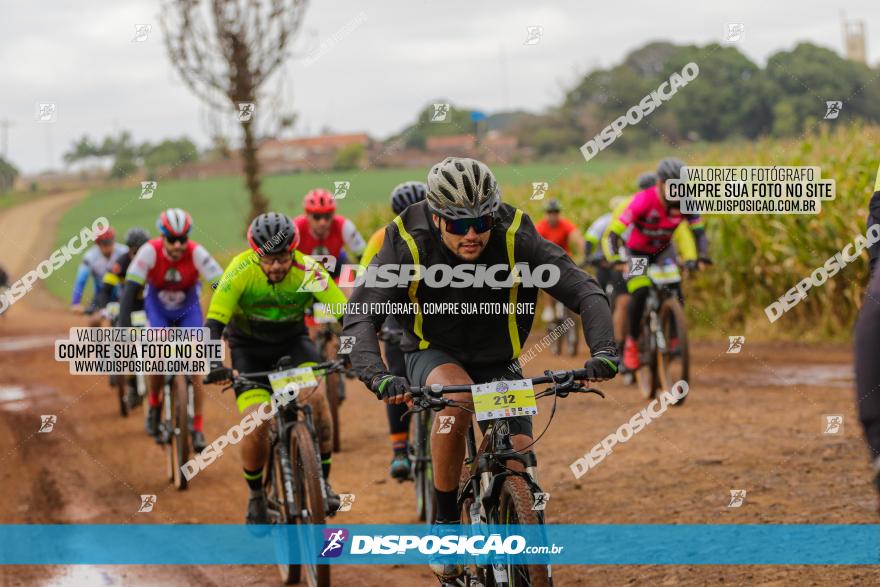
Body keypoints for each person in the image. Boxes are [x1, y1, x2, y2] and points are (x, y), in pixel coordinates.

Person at [342, 157, 618, 581]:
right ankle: (446, 525)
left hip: (499, 357)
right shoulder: (406, 238)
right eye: (457, 225)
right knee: (456, 402)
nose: (471, 234)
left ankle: (513, 512)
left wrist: (602, 351)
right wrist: (378, 374)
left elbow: (582, 287)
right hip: (432, 351)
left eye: (480, 221)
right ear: (435, 217)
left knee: (519, 453)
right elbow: (363, 313)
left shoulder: (514, 232)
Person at [204, 213, 346, 523]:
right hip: (249, 352)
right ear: (256, 253)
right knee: (257, 423)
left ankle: (321, 482)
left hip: (292, 346)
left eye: (283, 257)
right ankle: (256, 495)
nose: (277, 266)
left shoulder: (309, 269)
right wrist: (214, 363)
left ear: (293, 250)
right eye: (268, 259)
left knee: (318, 401)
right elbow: (214, 323)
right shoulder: (240, 270)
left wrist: (353, 350)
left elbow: (346, 316)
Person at [118, 208, 223, 453]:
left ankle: (197, 427)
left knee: (195, 365)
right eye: (172, 239)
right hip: (158, 310)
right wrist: (122, 330)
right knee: (156, 356)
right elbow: (129, 293)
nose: (177, 245)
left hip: (188, 310)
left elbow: (222, 287)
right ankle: (154, 406)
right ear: (162, 237)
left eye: (182, 239)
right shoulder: (148, 252)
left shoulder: (197, 252)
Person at [606, 158, 711, 371]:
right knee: (640, 291)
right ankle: (632, 343)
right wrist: (616, 258)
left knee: (675, 288)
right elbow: (613, 234)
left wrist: (702, 256)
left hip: (663, 251)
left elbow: (699, 233)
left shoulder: (686, 202)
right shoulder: (643, 200)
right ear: (660, 183)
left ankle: (674, 335)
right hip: (636, 253)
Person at [361, 181, 428, 481]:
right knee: (397, 377)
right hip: (397, 311)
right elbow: (368, 282)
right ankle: (399, 449)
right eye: (404, 212)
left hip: (430, 309)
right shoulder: (382, 237)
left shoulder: (440, 233)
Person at [535, 199, 585, 325]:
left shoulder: (565, 224)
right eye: (550, 212)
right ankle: (548, 307)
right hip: (546, 260)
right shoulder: (541, 226)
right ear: (546, 213)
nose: (553, 215)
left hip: (564, 259)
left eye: (556, 212)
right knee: (547, 279)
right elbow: (533, 243)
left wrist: (583, 253)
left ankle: (568, 304)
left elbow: (577, 238)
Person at [71, 225, 128, 325]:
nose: (109, 245)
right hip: (101, 295)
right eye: (105, 243)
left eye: (111, 241)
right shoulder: (90, 257)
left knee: (117, 322)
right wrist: (75, 303)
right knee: (94, 322)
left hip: (121, 293)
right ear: (97, 244)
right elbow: (80, 281)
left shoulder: (124, 251)